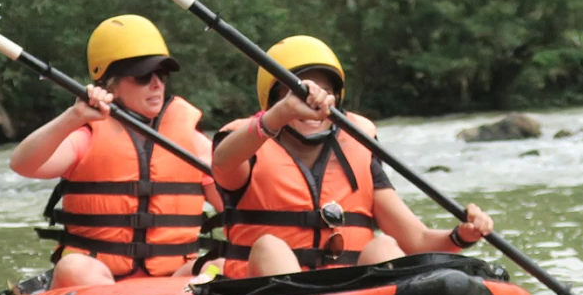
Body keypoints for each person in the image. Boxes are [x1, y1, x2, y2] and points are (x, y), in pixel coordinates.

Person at [211, 35, 494, 279]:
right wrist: (280, 115)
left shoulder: (358, 146)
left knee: (383, 247)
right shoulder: (245, 145)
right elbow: (222, 163)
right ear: (274, 100)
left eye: (325, 92)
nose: (313, 102)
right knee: (269, 246)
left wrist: (461, 235)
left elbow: (416, 240)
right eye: (298, 93)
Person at [10, 15, 221, 289]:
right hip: (101, 282)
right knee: (74, 266)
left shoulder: (194, 143)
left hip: (174, 281)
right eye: (143, 76)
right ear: (111, 85)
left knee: (223, 263)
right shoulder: (86, 137)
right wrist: (73, 117)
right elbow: (23, 165)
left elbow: (232, 210)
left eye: (162, 75)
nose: (156, 84)